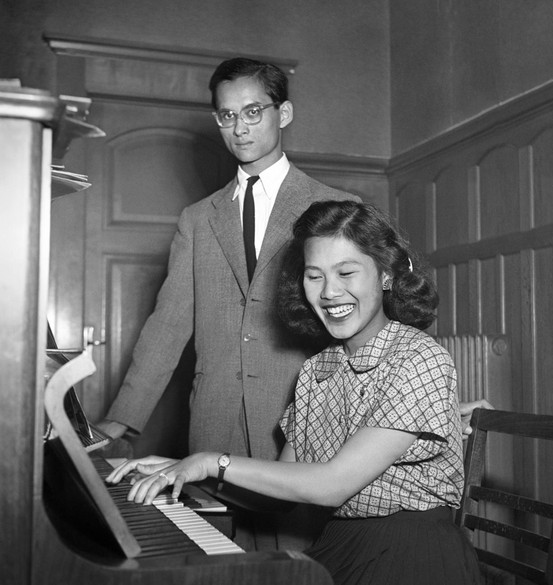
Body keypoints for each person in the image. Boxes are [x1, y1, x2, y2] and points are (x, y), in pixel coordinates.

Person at [107, 200, 483, 585]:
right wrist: (182, 471)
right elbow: (282, 490)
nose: (329, 292)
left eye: (347, 272)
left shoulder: (419, 357)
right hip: (340, 544)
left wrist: (210, 461)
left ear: (386, 275)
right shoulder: (317, 369)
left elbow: (331, 485)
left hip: (414, 557)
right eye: (314, 275)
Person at [97, 57, 358, 549]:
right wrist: (122, 419)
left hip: (303, 424)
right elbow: (168, 325)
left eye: (253, 111)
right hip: (213, 427)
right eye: (226, 115)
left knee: (301, 567)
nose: (239, 127)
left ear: (284, 113)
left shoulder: (336, 209)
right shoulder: (198, 219)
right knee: (217, 561)